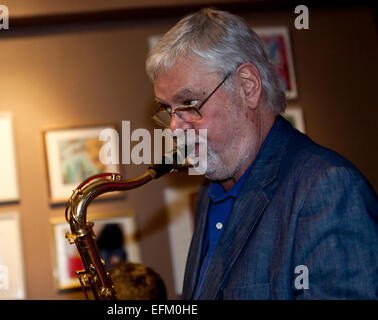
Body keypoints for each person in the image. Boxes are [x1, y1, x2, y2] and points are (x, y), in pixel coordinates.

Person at [146, 8, 377, 299]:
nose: (174, 128)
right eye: (168, 110)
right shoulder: (212, 188)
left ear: (247, 86)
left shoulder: (327, 190)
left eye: (189, 102)